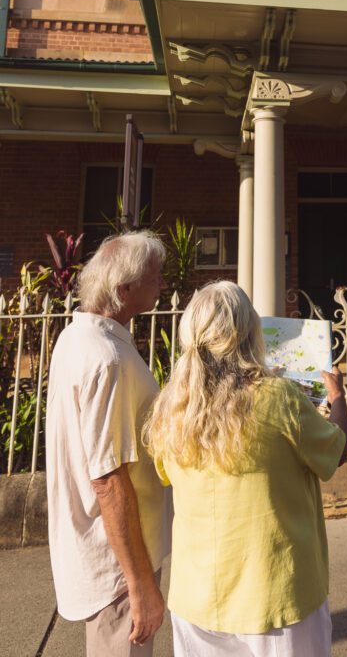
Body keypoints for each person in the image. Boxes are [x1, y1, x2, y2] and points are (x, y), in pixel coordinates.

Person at [144, 279, 347, 657]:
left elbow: (164, 475)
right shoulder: (278, 397)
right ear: (248, 332)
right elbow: (336, 450)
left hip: (197, 598)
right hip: (275, 596)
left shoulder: (171, 407)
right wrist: (337, 397)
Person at [46, 231, 172, 656]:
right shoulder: (108, 359)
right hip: (118, 566)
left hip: (105, 552)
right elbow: (108, 479)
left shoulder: (75, 339)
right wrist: (140, 586)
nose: (162, 284)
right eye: (155, 278)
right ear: (124, 290)